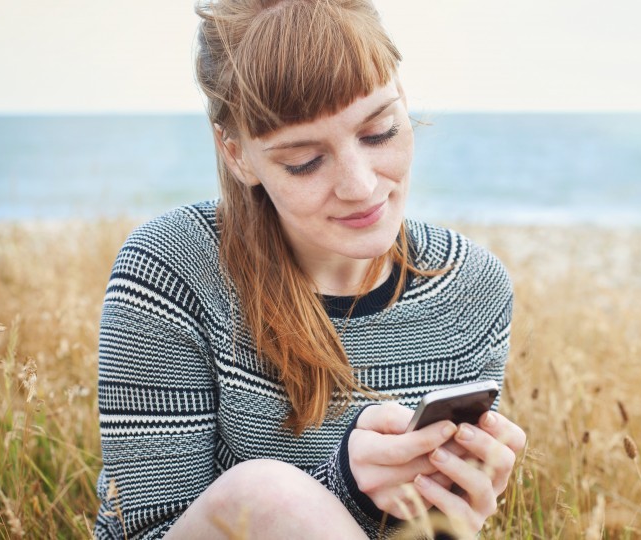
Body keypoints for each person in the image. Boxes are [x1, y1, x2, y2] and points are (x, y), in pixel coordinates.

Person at [92, 0, 525, 538]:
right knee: (264, 496)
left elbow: (431, 531)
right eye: (304, 161)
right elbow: (145, 530)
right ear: (237, 155)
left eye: (380, 132)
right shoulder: (171, 269)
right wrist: (348, 489)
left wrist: (452, 514)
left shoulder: (472, 288)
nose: (361, 186)